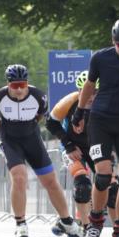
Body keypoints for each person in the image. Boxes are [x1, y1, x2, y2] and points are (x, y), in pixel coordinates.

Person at [0, 64, 81, 237]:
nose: (19, 89)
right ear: (8, 84)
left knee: (51, 181)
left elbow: (40, 116)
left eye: (22, 85)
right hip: (10, 141)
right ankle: (20, 222)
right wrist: (6, 132)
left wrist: (26, 129)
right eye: (14, 86)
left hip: (32, 139)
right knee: (19, 178)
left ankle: (65, 220)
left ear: (27, 82)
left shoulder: (38, 96)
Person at [71, 19, 119, 237]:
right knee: (102, 176)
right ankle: (95, 222)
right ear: (113, 41)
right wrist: (80, 112)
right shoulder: (100, 58)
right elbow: (89, 86)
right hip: (99, 120)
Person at [45, 70, 96, 228]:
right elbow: (51, 123)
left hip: (94, 146)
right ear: (79, 90)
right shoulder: (70, 101)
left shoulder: (104, 101)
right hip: (72, 146)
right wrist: (68, 145)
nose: (90, 96)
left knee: (110, 185)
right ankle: (86, 226)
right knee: (83, 185)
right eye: (84, 91)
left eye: (94, 92)